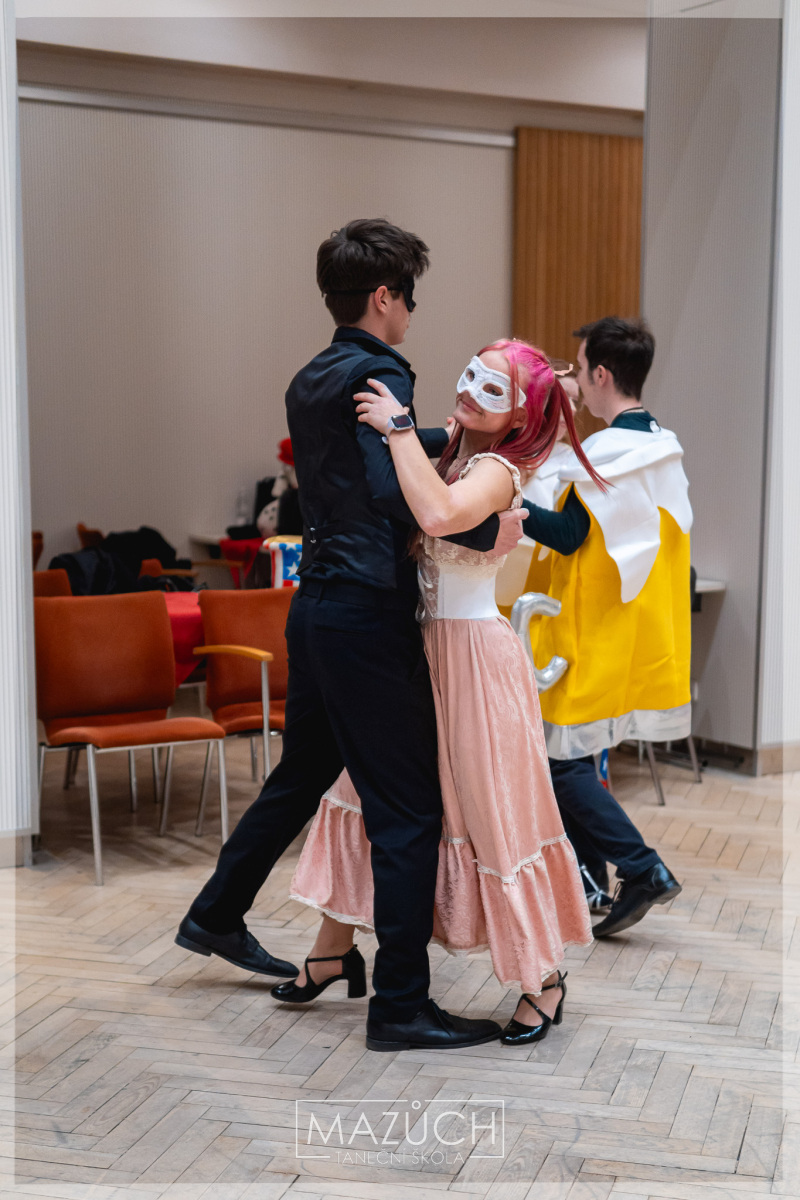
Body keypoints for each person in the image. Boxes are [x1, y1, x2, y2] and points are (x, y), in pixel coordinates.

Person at [175, 218, 526, 1053]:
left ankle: (217, 913)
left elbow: (352, 457)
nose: (412, 312)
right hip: (368, 614)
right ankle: (401, 1006)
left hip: (316, 608)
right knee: (407, 814)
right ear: (385, 297)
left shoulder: (312, 375)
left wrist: (440, 436)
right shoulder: (382, 370)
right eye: (410, 297)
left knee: (302, 774)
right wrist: (489, 525)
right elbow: (390, 487)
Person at [272, 340, 600, 1047]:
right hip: (419, 650)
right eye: (472, 374)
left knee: (491, 815)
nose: (471, 389)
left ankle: (543, 979)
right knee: (368, 796)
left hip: (474, 661)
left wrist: (397, 428)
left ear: (519, 416)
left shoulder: (496, 469)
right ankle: (332, 950)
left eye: (494, 388)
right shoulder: (451, 446)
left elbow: (440, 515)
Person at [520, 317, 690, 938]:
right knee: (580, 759)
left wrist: (505, 500)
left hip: (584, 633)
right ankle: (590, 878)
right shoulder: (661, 447)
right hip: (631, 634)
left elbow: (569, 536)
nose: (574, 378)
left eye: (578, 366)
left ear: (600, 374)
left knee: (561, 764)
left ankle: (641, 868)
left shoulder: (608, 456)